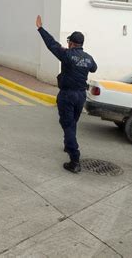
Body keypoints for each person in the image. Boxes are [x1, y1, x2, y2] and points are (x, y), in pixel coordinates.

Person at [36, 15, 97, 173]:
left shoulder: (67, 54)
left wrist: (40, 29)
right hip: (80, 96)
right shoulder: (88, 58)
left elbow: (52, 44)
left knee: (68, 125)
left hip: (67, 95)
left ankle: (74, 159)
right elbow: (93, 68)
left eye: (68, 42)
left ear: (71, 43)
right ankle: (67, 144)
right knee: (72, 123)